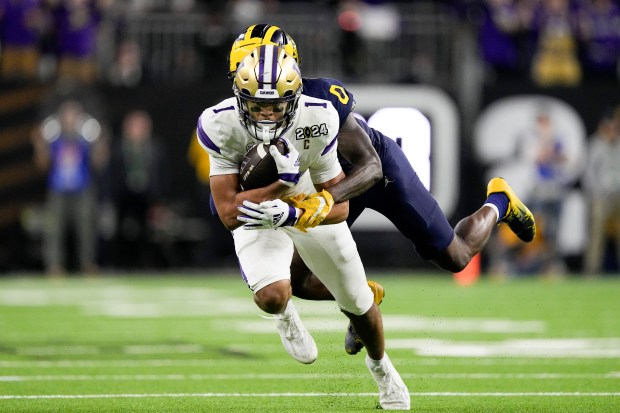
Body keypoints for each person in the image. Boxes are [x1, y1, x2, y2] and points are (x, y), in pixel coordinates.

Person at [225, 24, 537, 355]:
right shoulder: (237, 120)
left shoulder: (323, 100)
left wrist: (323, 201)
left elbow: (370, 167)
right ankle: (365, 297)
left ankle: (499, 201)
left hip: (373, 174)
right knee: (297, 281)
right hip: (328, 187)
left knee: (456, 257)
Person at [198, 45, 410, 410]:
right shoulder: (219, 123)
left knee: (359, 301)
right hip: (256, 211)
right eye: (256, 105)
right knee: (272, 295)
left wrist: (296, 211)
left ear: (294, 100)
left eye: (276, 105)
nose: (265, 115)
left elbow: (340, 206)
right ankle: (285, 316)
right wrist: (279, 187)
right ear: (238, 97)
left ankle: (383, 370)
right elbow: (229, 212)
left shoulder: (319, 117)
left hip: (307, 203)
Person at [31, 99, 107, 276]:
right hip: (58, 188)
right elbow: (42, 165)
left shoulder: (86, 138)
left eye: (74, 114)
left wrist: (101, 143)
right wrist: (39, 144)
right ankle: (54, 264)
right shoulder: (53, 138)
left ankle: (88, 263)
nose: (71, 118)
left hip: (83, 188)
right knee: (54, 229)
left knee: (86, 228)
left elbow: (99, 164)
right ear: (61, 117)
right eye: (68, 114)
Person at [108, 110, 167, 270]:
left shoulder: (155, 148)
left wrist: (159, 200)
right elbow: (112, 174)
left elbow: (160, 175)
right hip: (124, 195)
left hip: (146, 195)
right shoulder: (119, 149)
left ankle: (144, 264)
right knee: (121, 231)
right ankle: (120, 264)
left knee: (146, 232)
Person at [582, 106, 620, 275]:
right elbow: (589, 173)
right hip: (601, 196)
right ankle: (592, 270)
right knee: (596, 235)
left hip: (618, 194)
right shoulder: (595, 145)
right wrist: (596, 193)